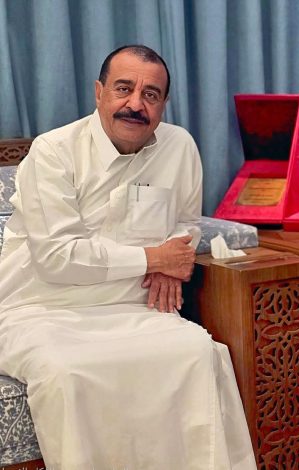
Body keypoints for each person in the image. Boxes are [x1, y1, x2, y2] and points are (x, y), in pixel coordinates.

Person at [0, 45, 255, 469]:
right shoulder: (54, 151)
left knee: (199, 351)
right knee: (67, 370)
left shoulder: (179, 146)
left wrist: (173, 259)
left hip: (132, 306)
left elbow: (186, 222)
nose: (136, 104)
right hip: (40, 310)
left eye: (151, 94)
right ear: (99, 92)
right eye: (123, 88)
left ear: (163, 104)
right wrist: (155, 259)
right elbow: (58, 258)